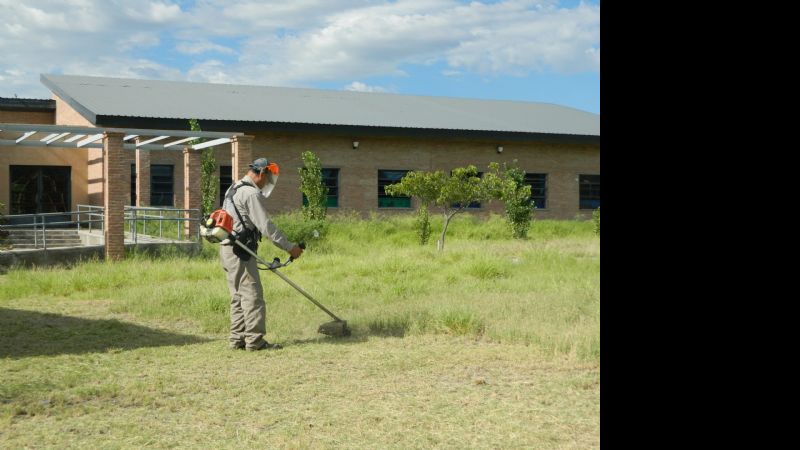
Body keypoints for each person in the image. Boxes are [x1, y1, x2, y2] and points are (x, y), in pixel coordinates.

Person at [220, 157, 303, 351]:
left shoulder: (234, 188)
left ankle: (237, 339)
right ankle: (255, 341)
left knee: (238, 295)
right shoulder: (250, 193)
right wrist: (290, 247)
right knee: (252, 295)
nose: (266, 184)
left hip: (228, 248)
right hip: (241, 250)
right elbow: (266, 226)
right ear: (262, 173)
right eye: (267, 179)